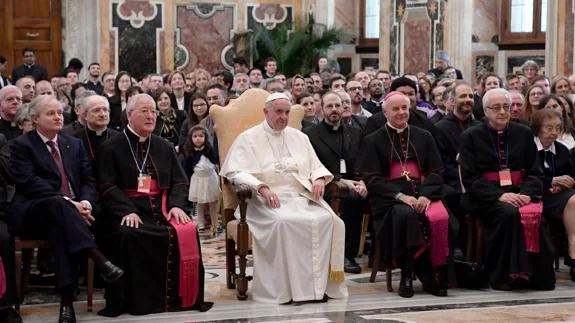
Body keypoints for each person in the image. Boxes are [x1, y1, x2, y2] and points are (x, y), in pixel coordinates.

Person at [220, 92, 348, 304]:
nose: (283, 117)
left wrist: (318, 179)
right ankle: (284, 289)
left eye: (287, 112)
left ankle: (316, 288)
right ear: (266, 112)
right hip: (262, 200)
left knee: (328, 220)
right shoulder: (248, 138)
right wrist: (260, 187)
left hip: (300, 196)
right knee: (283, 222)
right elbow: (235, 172)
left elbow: (316, 166)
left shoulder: (300, 137)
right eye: (278, 112)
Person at [9, 95, 123, 323]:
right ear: (35, 118)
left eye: (60, 113)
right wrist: (70, 203)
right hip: (34, 211)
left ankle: (66, 304)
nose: (58, 117)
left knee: (60, 230)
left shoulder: (73, 143)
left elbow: (88, 180)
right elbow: (31, 183)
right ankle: (97, 257)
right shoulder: (21, 145)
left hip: (67, 214)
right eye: (51, 113)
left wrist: (87, 202)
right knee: (58, 206)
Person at [94, 93, 211, 316]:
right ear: (129, 115)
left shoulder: (164, 146)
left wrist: (177, 206)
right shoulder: (111, 147)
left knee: (186, 229)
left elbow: (179, 181)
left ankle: (182, 299)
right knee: (128, 234)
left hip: (163, 208)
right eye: (144, 111)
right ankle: (137, 302)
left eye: (154, 111)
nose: (151, 116)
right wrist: (125, 209)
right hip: (127, 208)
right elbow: (106, 186)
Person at [459, 88, 555, 291]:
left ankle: (536, 276)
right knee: (509, 213)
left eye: (506, 107)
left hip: (521, 193)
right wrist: (500, 195)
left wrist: (526, 195)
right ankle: (504, 275)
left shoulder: (524, 132)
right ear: (485, 111)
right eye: (497, 107)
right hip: (486, 197)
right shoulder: (471, 136)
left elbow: (534, 171)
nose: (503, 111)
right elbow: (470, 178)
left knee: (533, 212)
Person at [358, 91, 451, 298]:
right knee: (406, 217)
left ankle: (439, 275)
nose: (401, 112)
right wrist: (401, 197)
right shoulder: (373, 140)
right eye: (396, 109)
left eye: (404, 108)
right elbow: (372, 178)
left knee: (445, 219)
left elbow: (436, 171)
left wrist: (426, 196)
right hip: (390, 200)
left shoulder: (424, 136)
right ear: (384, 112)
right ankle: (407, 274)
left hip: (424, 195)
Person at [304, 92, 367, 274]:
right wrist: (339, 179)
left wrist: (363, 181)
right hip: (325, 183)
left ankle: (354, 254)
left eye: (337, 106)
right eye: (329, 106)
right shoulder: (310, 135)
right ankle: (339, 254)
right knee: (350, 198)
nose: (334, 110)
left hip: (353, 183)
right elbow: (310, 165)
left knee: (361, 195)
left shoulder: (355, 133)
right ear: (321, 109)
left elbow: (363, 160)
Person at [531, 108, 575, 281]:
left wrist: (564, 183)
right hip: (533, 195)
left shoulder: (562, 150)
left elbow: (570, 176)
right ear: (538, 128)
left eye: (557, 128)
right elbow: (527, 178)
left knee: (573, 199)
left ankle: (573, 252)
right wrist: (552, 181)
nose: (554, 133)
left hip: (558, 197)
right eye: (549, 128)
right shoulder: (528, 147)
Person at [180, 125, 220, 234]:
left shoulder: (209, 149)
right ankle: (201, 223)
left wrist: (215, 165)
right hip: (198, 180)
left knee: (213, 202)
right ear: (191, 138)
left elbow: (215, 159)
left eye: (201, 136)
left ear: (205, 137)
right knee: (199, 203)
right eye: (195, 136)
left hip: (210, 179)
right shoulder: (190, 152)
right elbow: (187, 167)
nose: (198, 138)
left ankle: (214, 223)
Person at [72, 95, 119, 160]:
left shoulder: (119, 138)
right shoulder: (74, 140)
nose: (102, 114)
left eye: (105, 110)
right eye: (97, 110)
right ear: (85, 115)